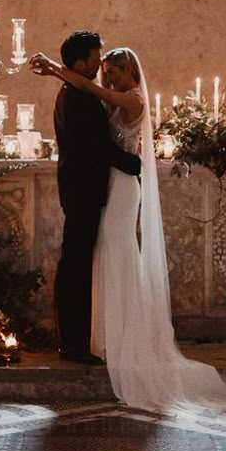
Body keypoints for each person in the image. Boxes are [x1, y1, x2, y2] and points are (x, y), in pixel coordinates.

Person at [30, 44, 226, 414]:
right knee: (109, 256)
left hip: (123, 187)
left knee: (121, 253)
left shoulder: (132, 101)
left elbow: (94, 94)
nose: (106, 75)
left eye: (113, 70)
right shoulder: (110, 99)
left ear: (130, 72)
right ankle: (106, 334)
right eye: (104, 68)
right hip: (108, 183)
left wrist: (54, 69)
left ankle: (128, 338)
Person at [45, 30, 141, 365]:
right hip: (83, 188)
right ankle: (73, 345)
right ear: (80, 62)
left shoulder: (75, 91)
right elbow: (97, 148)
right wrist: (134, 163)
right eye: (96, 58)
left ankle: (75, 340)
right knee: (76, 265)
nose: (101, 64)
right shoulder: (78, 97)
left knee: (78, 262)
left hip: (82, 187)